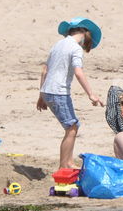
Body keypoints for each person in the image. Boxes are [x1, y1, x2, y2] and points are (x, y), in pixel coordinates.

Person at [37, 17, 104, 169]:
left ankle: (67, 162)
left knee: (71, 126)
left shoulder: (58, 45)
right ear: (85, 32)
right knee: (72, 127)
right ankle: (65, 165)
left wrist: (42, 95)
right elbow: (78, 73)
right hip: (58, 92)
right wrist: (91, 94)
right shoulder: (75, 48)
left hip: (48, 91)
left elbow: (44, 70)